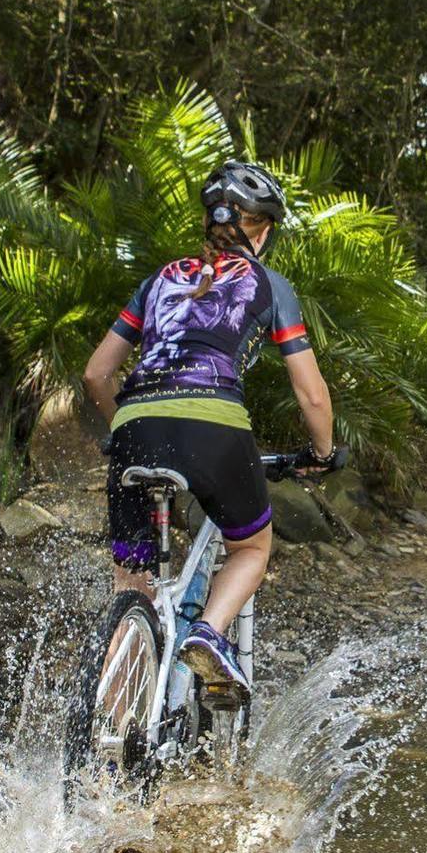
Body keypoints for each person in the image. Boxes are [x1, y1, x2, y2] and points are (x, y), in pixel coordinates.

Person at [81, 160, 337, 695]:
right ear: (262, 230)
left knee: (134, 583)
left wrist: (121, 430)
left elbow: (96, 373)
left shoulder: (158, 280)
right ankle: (208, 634)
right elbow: (311, 392)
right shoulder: (269, 285)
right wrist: (322, 450)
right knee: (250, 548)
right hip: (214, 426)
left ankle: (113, 726)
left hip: (135, 426)